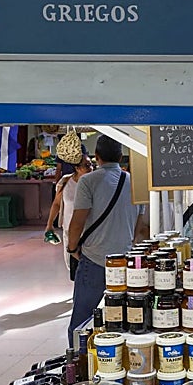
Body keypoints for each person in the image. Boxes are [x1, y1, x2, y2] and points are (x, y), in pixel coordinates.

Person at [65, 134, 148, 345]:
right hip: (127, 265)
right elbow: (140, 227)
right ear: (121, 156)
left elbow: (77, 221)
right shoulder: (135, 182)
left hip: (95, 260)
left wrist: (72, 247)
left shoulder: (88, 181)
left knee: (83, 322)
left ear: (97, 156)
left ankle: (79, 365)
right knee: (122, 321)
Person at [45, 148, 92, 273]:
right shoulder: (66, 182)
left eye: (91, 164)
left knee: (88, 268)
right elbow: (56, 204)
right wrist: (49, 224)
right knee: (74, 268)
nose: (90, 168)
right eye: (86, 165)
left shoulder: (94, 183)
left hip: (90, 232)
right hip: (69, 232)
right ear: (77, 168)